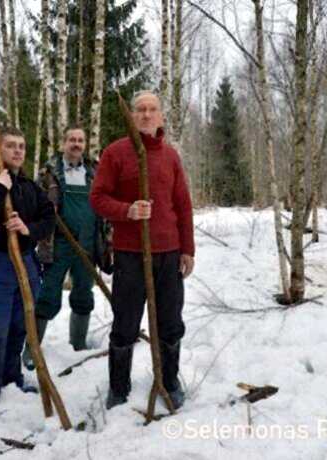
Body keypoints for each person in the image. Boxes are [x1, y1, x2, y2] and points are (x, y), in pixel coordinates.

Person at [90, 90, 195, 410]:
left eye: (152, 110)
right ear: (132, 116)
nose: (147, 115)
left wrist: (187, 250)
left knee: (170, 322)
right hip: (130, 254)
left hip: (169, 253)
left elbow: (183, 206)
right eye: (140, 110)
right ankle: (118, 387)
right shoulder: (116, 153)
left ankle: (169, 380)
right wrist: (127, 211)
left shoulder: (170, 156)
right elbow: (97, 198)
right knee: (125, 323)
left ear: (161, 116)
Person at [0, 128, 55, 415]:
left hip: (26, 263)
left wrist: (28, 228)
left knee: (19, 328)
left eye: (21, 146)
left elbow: (49, 217)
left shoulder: (29, 185)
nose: (17, 151)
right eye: (10, 146)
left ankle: (10, 381)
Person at [22, 127, 111, 370]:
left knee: (84, 293)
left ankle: (78, 346)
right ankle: (31, 349)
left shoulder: (94, 171)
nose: (76, 144)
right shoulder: (49, 172)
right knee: (47, 295)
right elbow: (36, 205)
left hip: (89, 244)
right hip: (57, 244)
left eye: (81, 140)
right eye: (72, 139)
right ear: (64, 143)